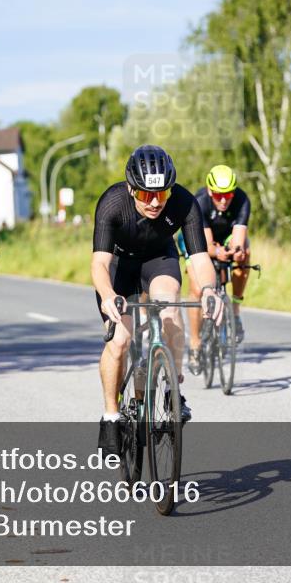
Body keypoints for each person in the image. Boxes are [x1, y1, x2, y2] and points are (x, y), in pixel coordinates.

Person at [92, 145, 222, 456]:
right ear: (130, 188)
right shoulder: (112, 203)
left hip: (159, 259)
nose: (154, 202)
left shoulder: (185, 203)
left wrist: (207, 291)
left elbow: (201, 259)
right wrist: (109, 296)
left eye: (162, 194)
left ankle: (172, 391)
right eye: (146, 195)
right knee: (121, 340)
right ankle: (111, 414)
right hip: (118, 267)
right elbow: (99, 263)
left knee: (170, 309)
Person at [186, 164, 253, 366]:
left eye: (228, 195)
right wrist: (217, 253)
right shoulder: (200, 202)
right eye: (218, 195)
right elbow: (205, 246)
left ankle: (235, 310)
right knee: (197, 289)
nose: (223, 200)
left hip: (226, 236)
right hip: (200, 240)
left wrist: (236, 251)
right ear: (209, 190)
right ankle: (195, 343)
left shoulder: (242, 200)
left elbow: (239, 237)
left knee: (244, 255)